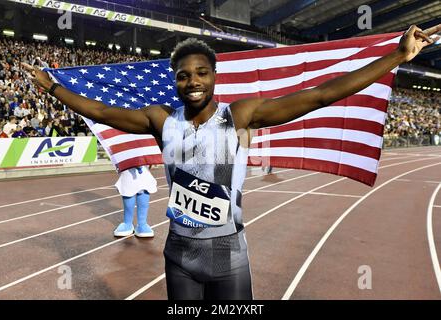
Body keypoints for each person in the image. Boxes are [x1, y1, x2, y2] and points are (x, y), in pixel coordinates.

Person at [22, 24, 440, 300]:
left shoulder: (239, 116)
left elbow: (321, 96)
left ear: (214, 76)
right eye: (184, 75)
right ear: (175, 80)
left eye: (201, 72)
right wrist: (53, 88)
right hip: (180, 257)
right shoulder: (160, 120)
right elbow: (101, 112)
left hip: (228, 258)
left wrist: (397, 58)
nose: (193, 82)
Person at [113, 166, 158, 237]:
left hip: (143, 171)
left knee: (144, 191)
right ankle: (127, 223)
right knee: (128, 192)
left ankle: (142, 224)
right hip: (127, 170)